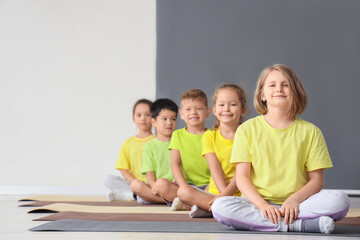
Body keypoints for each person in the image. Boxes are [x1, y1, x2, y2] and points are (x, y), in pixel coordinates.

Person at [211, 64, 350, 234]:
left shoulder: (311, 131)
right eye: (272, 85)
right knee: (220, 206)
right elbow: (242, 178)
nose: (279, 89)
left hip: (300, 203)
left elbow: (316, 180)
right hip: (257, 203)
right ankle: (296, 225)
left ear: (295, 92)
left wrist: (294, 200)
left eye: (285, 85)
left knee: (340, 200)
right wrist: (262, 205)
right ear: (262, 94)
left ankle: (274, 222)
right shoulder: (246, 130)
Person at [176, 84, 247, 218]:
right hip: (216, 194)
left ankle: (213, 209)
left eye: (232, 104)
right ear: (214, 110)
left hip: (242, 195)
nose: (226, 109)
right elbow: (215, 169)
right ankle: (220, 209)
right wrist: (222, 196)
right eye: (221, 105)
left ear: (243, 109)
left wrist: (226, 196)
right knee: (183, 192)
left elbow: (242, 172)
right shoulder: (209, 136)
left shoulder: (247, 134)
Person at [152, 89, 211, 210]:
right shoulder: (177, 135)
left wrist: (210, 185)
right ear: (182, 114)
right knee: (161, 184)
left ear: (208, 112)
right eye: (188, 109)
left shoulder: (212, 135)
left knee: (218, 190)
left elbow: (218, 165)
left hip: (209, 186)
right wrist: (184, 187)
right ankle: (194, 203)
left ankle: (189, 204)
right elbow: (175, 164)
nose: (193, 112)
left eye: (199, 108)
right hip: (186, 185)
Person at [104, 99, 155, 201]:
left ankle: (133, 195)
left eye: (148, 115)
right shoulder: (128, 143)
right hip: (132, 182)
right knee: (107, 179)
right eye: (139, 115)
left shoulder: (157, 141)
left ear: (154, 118)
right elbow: (123, 169)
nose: (143, 118)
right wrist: (135, 182)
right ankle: (136, 194)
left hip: (151, 183)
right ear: (133, 119)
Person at [130, 98, 178, 204]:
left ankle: (162, 200)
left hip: (174, 186)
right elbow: (150, 176)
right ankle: (169, 200)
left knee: (143, 199)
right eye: (164, 119)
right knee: (135, 185)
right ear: (153, 122)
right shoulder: (149, 147)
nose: (169, 123)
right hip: (156, 187)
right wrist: (155, 187)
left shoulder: (179, 141)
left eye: (173, 119)